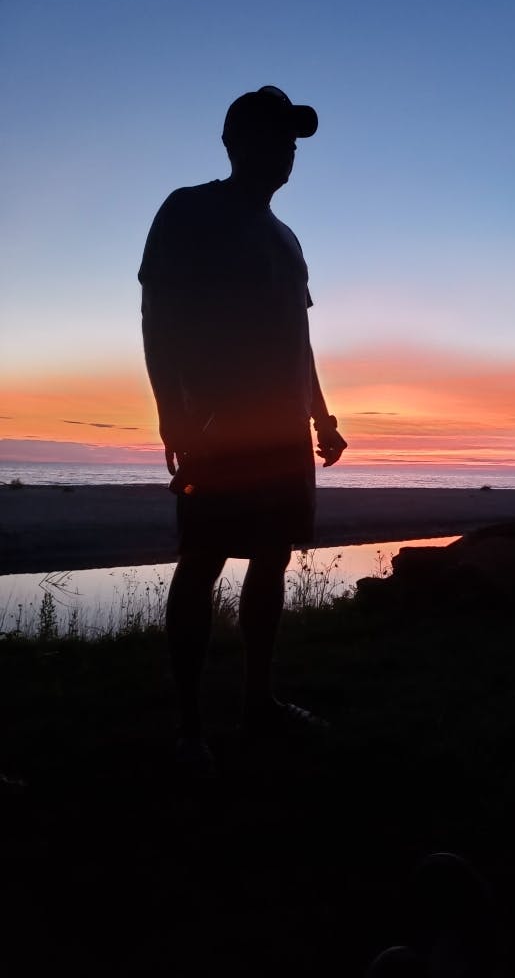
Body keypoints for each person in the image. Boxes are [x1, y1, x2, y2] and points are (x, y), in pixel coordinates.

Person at [138, 85, 347, 774]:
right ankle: (190, 728)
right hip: (218, 425)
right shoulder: (189, 210)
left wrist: (322, 416)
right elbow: (158, 316)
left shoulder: (287, 239)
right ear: (235, 142)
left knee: (273, 556)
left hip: (284, 432)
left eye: (293, 139)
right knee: (202, 560)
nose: (288, 150)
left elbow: (299, 339)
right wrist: (172, 412)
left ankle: (259, 703)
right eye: (275, 136)